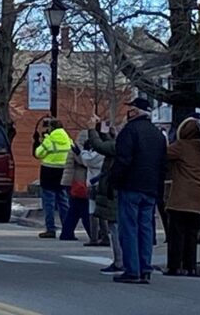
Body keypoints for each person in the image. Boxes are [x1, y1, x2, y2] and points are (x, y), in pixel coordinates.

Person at [109, 97, 166, 284]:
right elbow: (162, 164)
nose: (128, 111)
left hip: (131, 185)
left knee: (129, 229)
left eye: (131, 108)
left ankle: (132, 269)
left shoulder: (130, 131)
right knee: (146, 229)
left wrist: (114, 181)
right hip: (150, 187)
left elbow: (123, 160)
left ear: (135, 111)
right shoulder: (158, 135)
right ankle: (145, 267)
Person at [164, 116, 200, 276]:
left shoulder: (181, 146)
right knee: (192, 234)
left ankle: (174, 266)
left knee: (176, 233)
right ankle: (190, 266)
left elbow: (164, 153)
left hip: (181, 196)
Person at [88, 120, 125, 272]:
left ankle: (120, 261)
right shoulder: (123, 145)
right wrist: (108, 134)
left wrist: (92, 130)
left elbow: (101, 147)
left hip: (113, 190)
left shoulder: (122, 146)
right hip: (118, 189)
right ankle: (126, 260)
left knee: (114, 226)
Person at [33, 117, 72, 239]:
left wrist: (39, 141)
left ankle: (50, 229)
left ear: (51, 128)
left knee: (48, 202)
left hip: (48, 173)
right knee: (63, 201)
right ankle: (67, 228)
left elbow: (38, 153)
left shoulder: (49, 140)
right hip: (63, 172)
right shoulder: (68, 139)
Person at [60, 130, 93, 241]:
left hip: (72, 181)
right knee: (84, 209)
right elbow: (84, 162)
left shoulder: (76, 147)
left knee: (74, 210)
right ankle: (92, 234)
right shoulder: (78, 150)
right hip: (77, 182)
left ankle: (66, 233)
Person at [79, 127, 108, 247]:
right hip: (98, 182)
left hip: (96, 183)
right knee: (100, 211)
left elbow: (88, 161)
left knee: (95, 211)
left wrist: (83, 151)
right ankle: (101, 236)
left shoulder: (100, 152)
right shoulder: (105, 151)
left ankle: (96, 237)